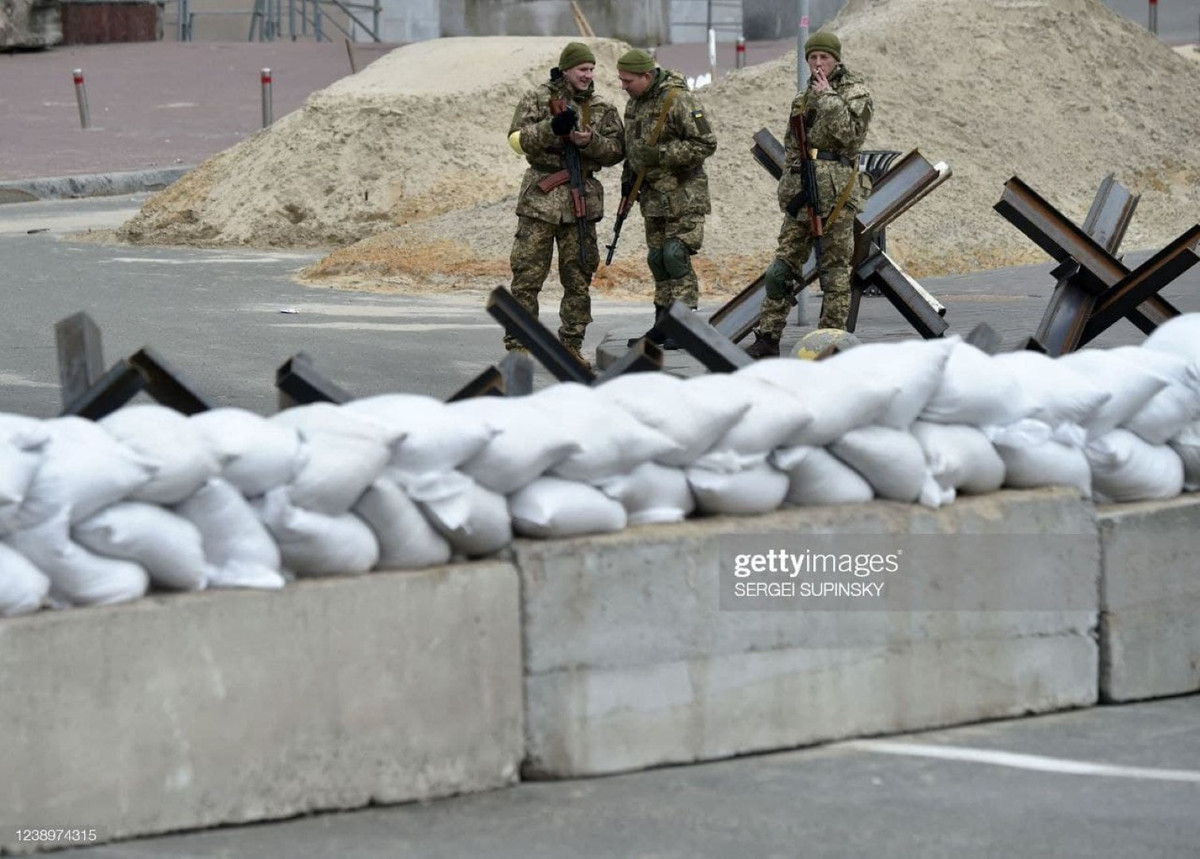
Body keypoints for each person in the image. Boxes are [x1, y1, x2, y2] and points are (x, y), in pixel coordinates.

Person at [744, 31, 874, 359]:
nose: (818, 64)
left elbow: (849, 137)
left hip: (837, 197)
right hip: (804, 194)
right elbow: (792, 149)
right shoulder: (802, 99)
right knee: (781, 268)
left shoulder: (854, 92)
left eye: (824, 58)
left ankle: (829, 342)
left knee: (833, 272)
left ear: (836, 60)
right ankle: (768, 336)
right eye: (812, 58)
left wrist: (828, 98)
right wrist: (790, 191)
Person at [505, 42, 625, 369]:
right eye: (582, 70)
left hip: (580, 202)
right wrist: (550, 129)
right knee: (527, 275)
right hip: (540, 202)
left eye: (591, 70)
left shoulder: (602, 108)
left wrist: (592, 142)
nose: (588, 75)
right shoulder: (537, 97)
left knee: (578, 277)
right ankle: (519, 346)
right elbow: (516, 140)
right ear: (567, 70)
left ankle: (571, 344)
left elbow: (617, 150)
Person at [616, 48, 717, 345]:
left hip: (684, 195)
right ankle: (663, 323)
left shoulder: (679, 100)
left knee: (675, 255)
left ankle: (684, 324)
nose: (623, 86)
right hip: (653, 198)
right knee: (658, 259)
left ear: (647, 76)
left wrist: (661, 153)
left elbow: (705, 143)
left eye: (628, 80)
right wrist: (627, 184)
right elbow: (632, 150)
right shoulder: (634, 105)